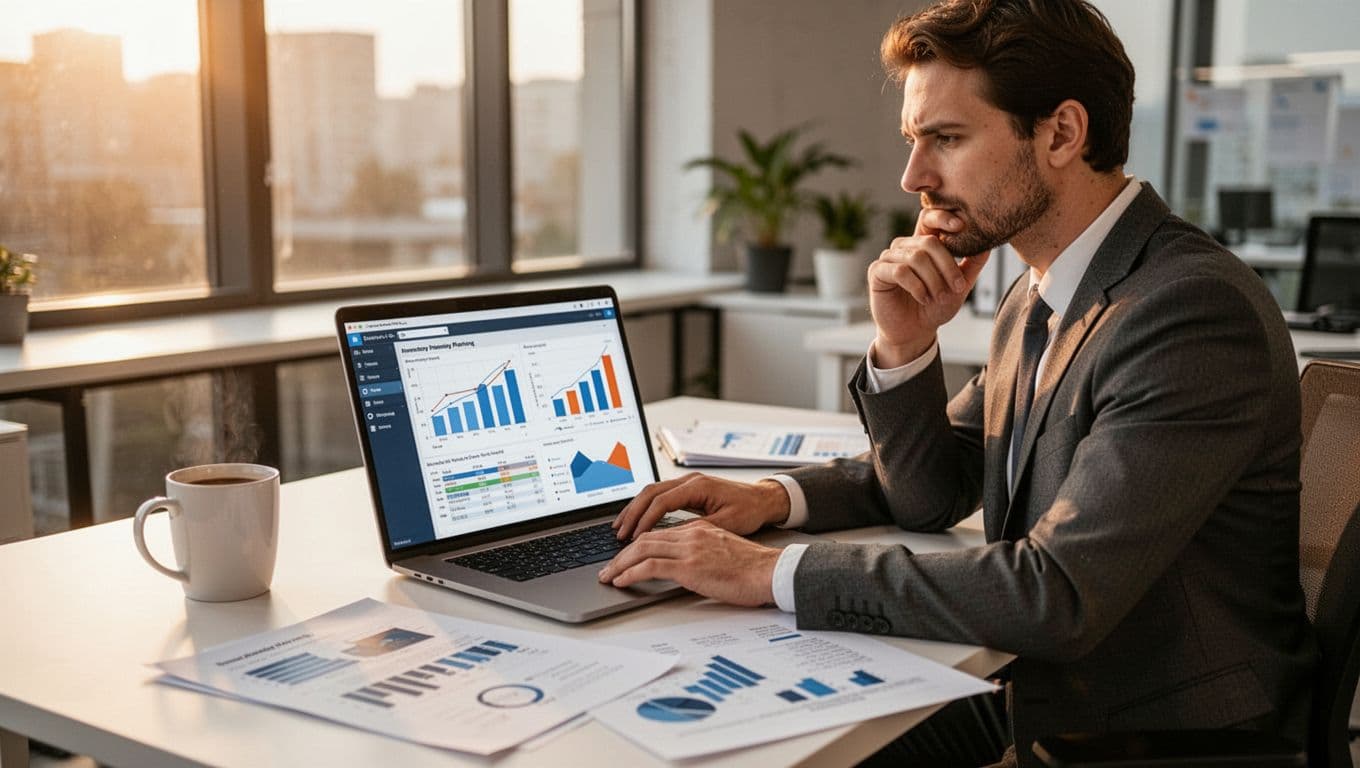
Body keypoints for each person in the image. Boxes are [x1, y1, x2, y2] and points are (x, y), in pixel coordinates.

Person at [599, 0, 1317, 765]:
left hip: (1151, 733)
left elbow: (1056, 595)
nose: (914, 177)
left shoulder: (1186, 310)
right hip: (1048, 695)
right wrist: (793, 478)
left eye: (946, 138)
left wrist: (773, 570)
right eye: (915, 140)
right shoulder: (1042, 290)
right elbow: (934, 492)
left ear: (1062, 134)